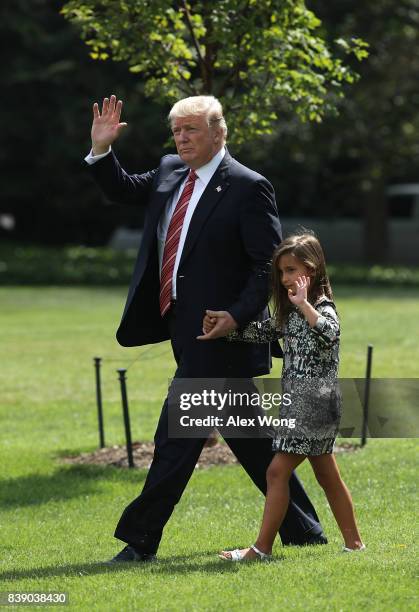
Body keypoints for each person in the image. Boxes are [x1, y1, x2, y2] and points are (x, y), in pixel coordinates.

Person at [85, 95, 327, 563]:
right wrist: (101, 151)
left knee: (175, 437)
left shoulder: (248, 186)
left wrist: (237, 315)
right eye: (177, 131)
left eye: (191, 130)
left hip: (225, 337)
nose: (182, 139)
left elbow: (266, 265)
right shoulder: (170, 170)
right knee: (250, 439)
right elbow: (123, 189)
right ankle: (305, 530)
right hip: (184, 329)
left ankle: (140, 541)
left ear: (219, 132)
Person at [199, 233, 365, 560]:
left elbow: (330, 334)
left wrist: (303, 304)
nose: (285, 278)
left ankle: (260, 549)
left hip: (313, 404)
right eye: (281, 272)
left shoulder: (321, 306)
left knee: (276, 472)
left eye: (291, 270)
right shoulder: (290, 311)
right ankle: (355, 544)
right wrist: (224, 325)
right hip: (300, 404)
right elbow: (262, 332)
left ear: (312, 270)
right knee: (326, 474)